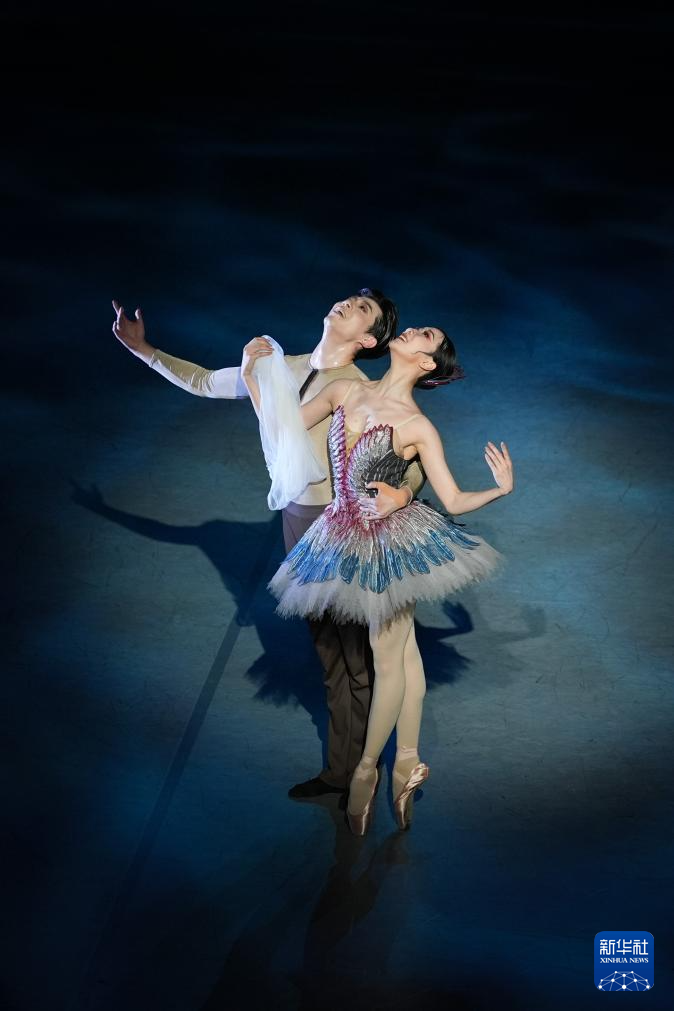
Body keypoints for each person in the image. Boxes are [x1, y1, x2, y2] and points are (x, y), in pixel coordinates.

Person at [111, 291, 426, 800]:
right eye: (351, 299)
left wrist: (404, 493)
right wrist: (143, 350)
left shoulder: (359, 389)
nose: (348, 304)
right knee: (327, 650)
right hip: (295, 523)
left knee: (354, 654)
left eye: (363, 309)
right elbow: (204, 382)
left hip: (337, 527)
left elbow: (412, 458)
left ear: (369, 340)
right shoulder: (283, 365)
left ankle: (359, 771)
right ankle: (342, 770)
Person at [242, 324, 514, 835]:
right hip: (338, 530)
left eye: (424, 335)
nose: (411, 329)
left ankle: (367, 770)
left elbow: (453, 500)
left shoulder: (416, 426)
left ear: (427, 363)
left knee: (389, 655)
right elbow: (280, 428)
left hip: (388, 541)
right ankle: (406, 761)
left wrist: (499, 490)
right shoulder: (346, 390)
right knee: (404, 654)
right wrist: (253, 377)